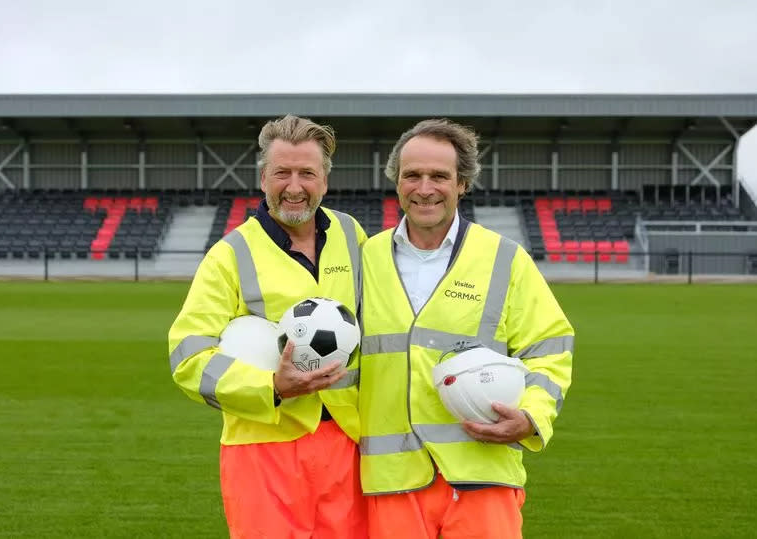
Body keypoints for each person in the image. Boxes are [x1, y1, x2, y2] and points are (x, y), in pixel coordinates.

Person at [357, 119, 574, 539]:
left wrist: (531, 417)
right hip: (391, 480)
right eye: (412, 175)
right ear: (396, 182)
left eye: (439, 176)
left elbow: (550, 349)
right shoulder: (365, 259)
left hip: (483, 475)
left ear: (462, 184)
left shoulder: (505, 259)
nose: (425, 188)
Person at [168, 115, 367, 538]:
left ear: (325, 181)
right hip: (262, 446)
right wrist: (271, 387)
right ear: (263, 178)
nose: (294, 186)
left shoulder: (352, 235)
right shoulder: (230, 255)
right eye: (282, 173)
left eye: (307, 173)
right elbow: (188, 356)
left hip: (347, 442)